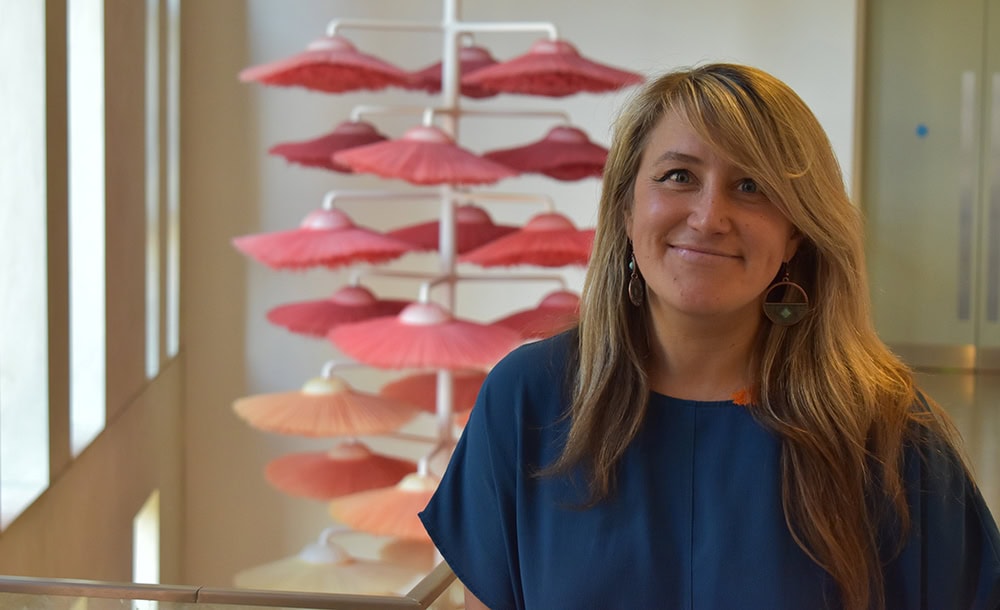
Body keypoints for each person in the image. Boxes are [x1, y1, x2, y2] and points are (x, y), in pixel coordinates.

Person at [418, 63, 1000, 610]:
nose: (708, 216)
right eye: (678, 176)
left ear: (797, 233)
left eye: (751, 186)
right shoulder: (527, 400)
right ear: (625, 207)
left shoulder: (888, 427)